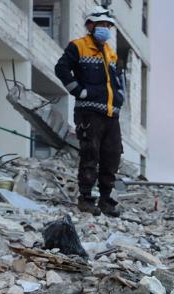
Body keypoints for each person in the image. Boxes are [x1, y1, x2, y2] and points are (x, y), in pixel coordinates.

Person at [54, 6, 124, 217]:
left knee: (111, 156)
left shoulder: (110, 52)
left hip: (111, 114)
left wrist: (120, 98)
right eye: (102, 25)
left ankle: (105, 200)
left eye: (108, 26)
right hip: (89, 113)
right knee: (90, 154)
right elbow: (61, 68)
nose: (106, 29)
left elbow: (116, 81)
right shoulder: (79, 46)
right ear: (91, 25)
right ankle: (85, 198)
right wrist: (79, 91)